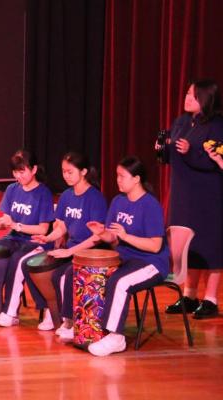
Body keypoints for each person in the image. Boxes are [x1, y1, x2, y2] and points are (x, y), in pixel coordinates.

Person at [86, 156, 169, 356]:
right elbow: (114, 239)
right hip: (125, 257)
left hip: (151, 263)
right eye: (117, 175)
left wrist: (125, 236)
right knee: (91, 273)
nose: (118, 180)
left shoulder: (150, 205)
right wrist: (102, 233)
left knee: (120, 282)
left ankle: (116, 337)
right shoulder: (118, 201)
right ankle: (89, 327)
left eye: (122, 176)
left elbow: (155, 246)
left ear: (136, 179)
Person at [159, 79, 223, 319]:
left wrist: (191, 152)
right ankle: (189, 295)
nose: (187, 98)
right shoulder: (182, 122)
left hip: (208, 195)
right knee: (189, 245)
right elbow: (172, 154)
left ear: (205, 99)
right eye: (186, 93)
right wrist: (163, 148)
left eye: (193, 95)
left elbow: (215, 160)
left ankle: (211, 299)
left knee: (211, 246)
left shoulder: (217, 125)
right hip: (183, 193)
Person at [0, 149, 53, 326]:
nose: (18, 176)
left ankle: (10, 313)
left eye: (22, 171)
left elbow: (43, 229)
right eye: (15, 172)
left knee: (16, 262)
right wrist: (0, 224)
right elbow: (8, 219)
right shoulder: (12, 189)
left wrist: (16, 225)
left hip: (35, 242)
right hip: (14, 238)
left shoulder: (43, 193)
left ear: (34, 169)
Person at [31, 152, 107, 337]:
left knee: (64, 275)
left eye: (70, 172)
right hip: (72, 249)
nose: (66, 175)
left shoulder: (95, 198)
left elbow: (97, 237)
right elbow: (63, 226)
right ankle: (55, 315)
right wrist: (48, 238)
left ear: (84, 172)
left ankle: (71, 322)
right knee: (38, 268)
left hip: (90, 251)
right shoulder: (66, 195)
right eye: (63, 171)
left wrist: (70, 251)